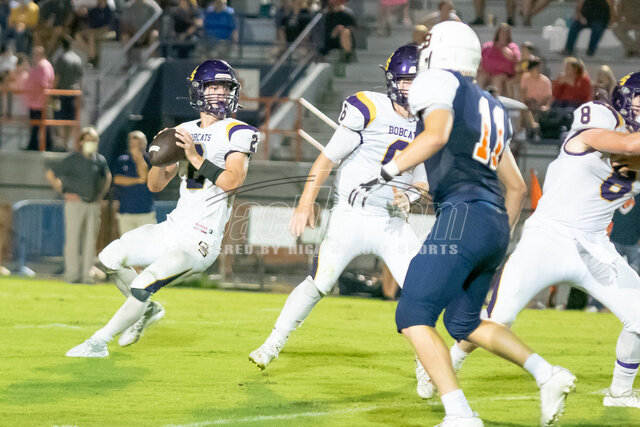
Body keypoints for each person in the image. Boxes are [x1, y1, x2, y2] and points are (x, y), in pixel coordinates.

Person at [349, 22, 576, 426]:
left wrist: (383, 173)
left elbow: (436, 135)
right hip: (492, 222)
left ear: (439, 52)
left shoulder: (439, 82)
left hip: (464, 214)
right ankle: (548, 374)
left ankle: (460, 414)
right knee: (463, 322)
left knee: (412, 315)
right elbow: (516, 187)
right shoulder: (491, 103)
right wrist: (494, 237)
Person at [452, 72, 640, 411]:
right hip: (548, 238)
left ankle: (620, 393)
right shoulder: (599, 116)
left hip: (595, 247)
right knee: (497, 319)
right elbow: (626, 146)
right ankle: (445, 363)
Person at [249, 45, 430, 391]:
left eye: (416, 81)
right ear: (392, 81)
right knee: (319, 282)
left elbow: (422, 181)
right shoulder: (369, 108)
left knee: (422, 292)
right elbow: (326, 159)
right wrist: (305, 203)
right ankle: (272, 343)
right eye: (405, 81)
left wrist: (409, 197)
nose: (409, 89)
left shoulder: (428, 123)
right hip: (351, 215)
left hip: (391, 222)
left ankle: (426, 363)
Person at [65, 59, 261, 358]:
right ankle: (147, 311)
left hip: (199, 240)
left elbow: (232, 182)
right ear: (198, 90)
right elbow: (155, 185)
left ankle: (98, 342)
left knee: (144, 283)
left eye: (225, 87)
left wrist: (193, 156)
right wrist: (158, 157)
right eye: (213, 86)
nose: (221, 93)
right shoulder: (183, 130)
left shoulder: (239, 132)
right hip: (173, 227)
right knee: (110, 257)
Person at [45, 127, 112, 284]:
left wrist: (100, 196)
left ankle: (87, 275)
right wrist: (64, 192)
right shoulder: (72, 159)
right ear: (81, 142)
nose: (91, 143)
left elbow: (107, 176)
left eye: (94, 140)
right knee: (72, 240)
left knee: (90, 242)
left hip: (92, 204)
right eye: (88, 140)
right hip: (75, 204)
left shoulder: (100, 160)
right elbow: (51, 174)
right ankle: (72, 275)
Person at [113, 130, 156, 236]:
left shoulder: (151, 159)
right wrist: (138, 180)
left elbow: (145, 177)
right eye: (132, 144)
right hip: (126, 211)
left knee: (147, 242)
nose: (135, 147)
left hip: (145, 212)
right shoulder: (122, 160)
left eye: (138, 144)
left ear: (144, 144)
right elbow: (117, 179)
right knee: (127, 243)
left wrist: (138, 157)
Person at [53, 35, 83, 151]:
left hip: (62, 93)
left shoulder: (62, 58)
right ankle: (66, 142)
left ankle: (62, 143)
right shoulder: (78, 59)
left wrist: (52, 91)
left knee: (59, 119)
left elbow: (57, 77)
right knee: (70, 119)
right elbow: (80, 79)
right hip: (74, 94)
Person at [478, 23, 520, 98]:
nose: (504, 36)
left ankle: (496, 101)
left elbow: (517, 59)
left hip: (503, 75)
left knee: (497, 79)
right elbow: (480, 58)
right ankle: (478, 98)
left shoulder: (512, 47)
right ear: (498, 34)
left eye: (506, 34)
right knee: (481, 76)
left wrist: (509, 54)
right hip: (487, 72)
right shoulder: (488, 45)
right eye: (502, 33)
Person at [24, 45, 54, 151]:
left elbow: (43, 84)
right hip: (35, 102)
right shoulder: (36, 65)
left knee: (39, 124)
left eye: (36, 54)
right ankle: (36, 144)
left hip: (40, 102)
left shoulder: (43, 66)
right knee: (36, 125)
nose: (34, 56)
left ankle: (42, 145)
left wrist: (35, 95)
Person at [321, 0, 357, 65]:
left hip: (342, 39)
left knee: (345, 32)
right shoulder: (325, 15)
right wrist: (333, 33)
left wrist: (340, 29)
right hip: (328, 40)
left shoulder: (346, 14)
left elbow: (352, 28)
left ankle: (347, 55)